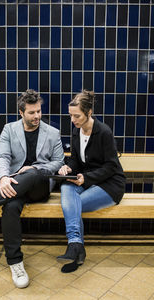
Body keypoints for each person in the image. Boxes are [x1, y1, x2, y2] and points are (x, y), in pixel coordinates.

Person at [0, 89, 64, 288]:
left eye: (39, 111)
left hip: (39, 187)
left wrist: (34, 168)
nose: (37, 116)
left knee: (33, 172)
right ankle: (15, 263)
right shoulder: (9, 129)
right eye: (32, 113)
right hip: (12, 187)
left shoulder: (52, 133)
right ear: (21, 112)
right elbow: (3, 157)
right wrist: (5, 177)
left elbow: (58, 163)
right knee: (11, 207)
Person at [57, 90, 125, 273]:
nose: (73, 120)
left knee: (73, 204)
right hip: (85, 181)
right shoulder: (76, 131)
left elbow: (111, 166)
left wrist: (86, 178)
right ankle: (76, 245)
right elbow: (75, 160)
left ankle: (76, 250)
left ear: (89, 113)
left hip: (110, 185)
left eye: (77, 116)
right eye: (71, 115)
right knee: (65, 186)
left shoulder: (103, 132)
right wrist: (68, 168)